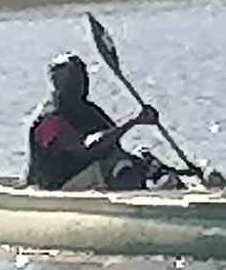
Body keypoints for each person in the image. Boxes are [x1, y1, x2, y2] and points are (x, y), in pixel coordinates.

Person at [24, 53, 164, 191]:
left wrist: (141, 161)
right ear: (57, 83)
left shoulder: (89, 111)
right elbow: (87, 149)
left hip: (83, 176)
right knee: (116, 166)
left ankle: (164, 184)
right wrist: (134, 121)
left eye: (83, 75)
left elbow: (113, 144)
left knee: (139, 156)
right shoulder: (51, 120)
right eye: (74, 78)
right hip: (57, 186)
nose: (82, 82)